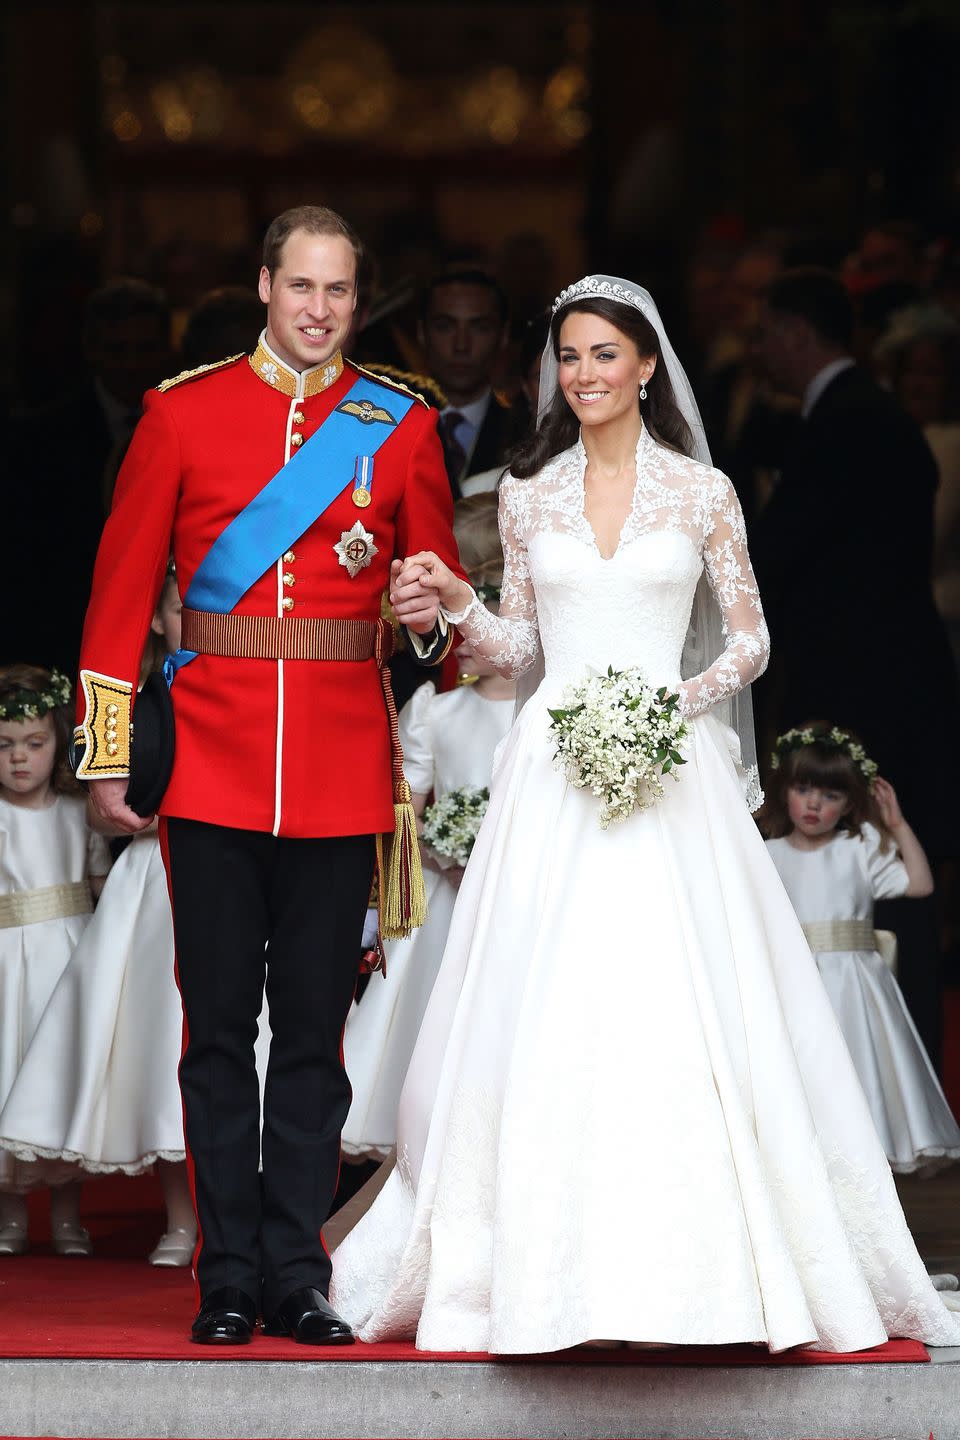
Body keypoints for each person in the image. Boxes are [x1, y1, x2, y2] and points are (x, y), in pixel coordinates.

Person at [330, 274, 960, 1355]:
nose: (582, 375)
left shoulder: (702, 492)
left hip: (673, 774)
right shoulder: (529, 495)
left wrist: (670, 708)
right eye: (567, 358)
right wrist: (461, 608)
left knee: (689, 1008)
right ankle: (532, 1273)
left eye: (602, 356)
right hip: (553, 776)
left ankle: (705, 1274)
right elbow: (522, 650)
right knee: (546, 1009)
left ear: (647, 366)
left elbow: (751, 641)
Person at [73, 205, 462, 1345]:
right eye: (301, 287)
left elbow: (434, 619)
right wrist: (107, 758)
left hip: (341, 766)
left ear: (357, 300)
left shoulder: (401, 424)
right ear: (263, 286)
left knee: (311, 1038)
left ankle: (298, 1269)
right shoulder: (181, 414)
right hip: (210, 767)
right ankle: (226, 1274)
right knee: (213, 1033)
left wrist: (426, 616)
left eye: (338, 292)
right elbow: (117, 598)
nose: (318, 310)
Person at [750, 267, 960, 1070]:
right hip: (890, 682)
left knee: (881, 878)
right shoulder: (865, 416)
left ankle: (888, 1078)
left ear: (801, 334)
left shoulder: (847, 422)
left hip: (867, 693)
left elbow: (780, 554)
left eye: (768, 331)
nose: (759, 347)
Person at [0, 572, 196, 1265]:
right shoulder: (127, 703)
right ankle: (179, 1220)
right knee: (157, 1040)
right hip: (152, 880)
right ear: (156, 618)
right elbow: (96, 806)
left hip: (238, 874)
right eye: (185, 605)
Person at [341, 495, 516, 1162]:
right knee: (432, 1016)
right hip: (448, 892)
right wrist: (439, 845)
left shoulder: (543, 713)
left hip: (519, 889)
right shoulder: (436, 710)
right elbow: (406, 801)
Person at [763, 724, 960, 1175]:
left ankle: (860, 1163)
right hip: (795, 980)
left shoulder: (859, 847)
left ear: (850, 803)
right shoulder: (768, 853)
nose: (814, 803)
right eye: (803, 788)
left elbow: (920, 884)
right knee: (805, 1066)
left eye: (830, 795)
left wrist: (896, 825)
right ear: (785, 791)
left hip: (855, 983)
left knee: (857, 1065)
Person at [6, 280, 173, 675]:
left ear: (167, 350)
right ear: (91, 351)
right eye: (118, 350)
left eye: (144, 349)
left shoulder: (197, 425)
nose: (131, 364)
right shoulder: (38, 441)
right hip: (67, 639)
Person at [0, 666, 111, 1257]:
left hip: (68, 960)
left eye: (34, 743)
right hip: (6, 964)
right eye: (5, 745)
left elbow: (103, 888)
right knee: (10, 1073)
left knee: (65, 1077)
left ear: (58, 742)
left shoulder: (79, 813)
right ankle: (11, 1215)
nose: (20, 758)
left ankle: (68, 1216)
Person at [419, 269, 513, 497]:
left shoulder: (523, 430)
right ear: (422, 333)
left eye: (479, 327)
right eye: (445, 326)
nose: (461, 344)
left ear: (503, 336)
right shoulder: (391, 423)